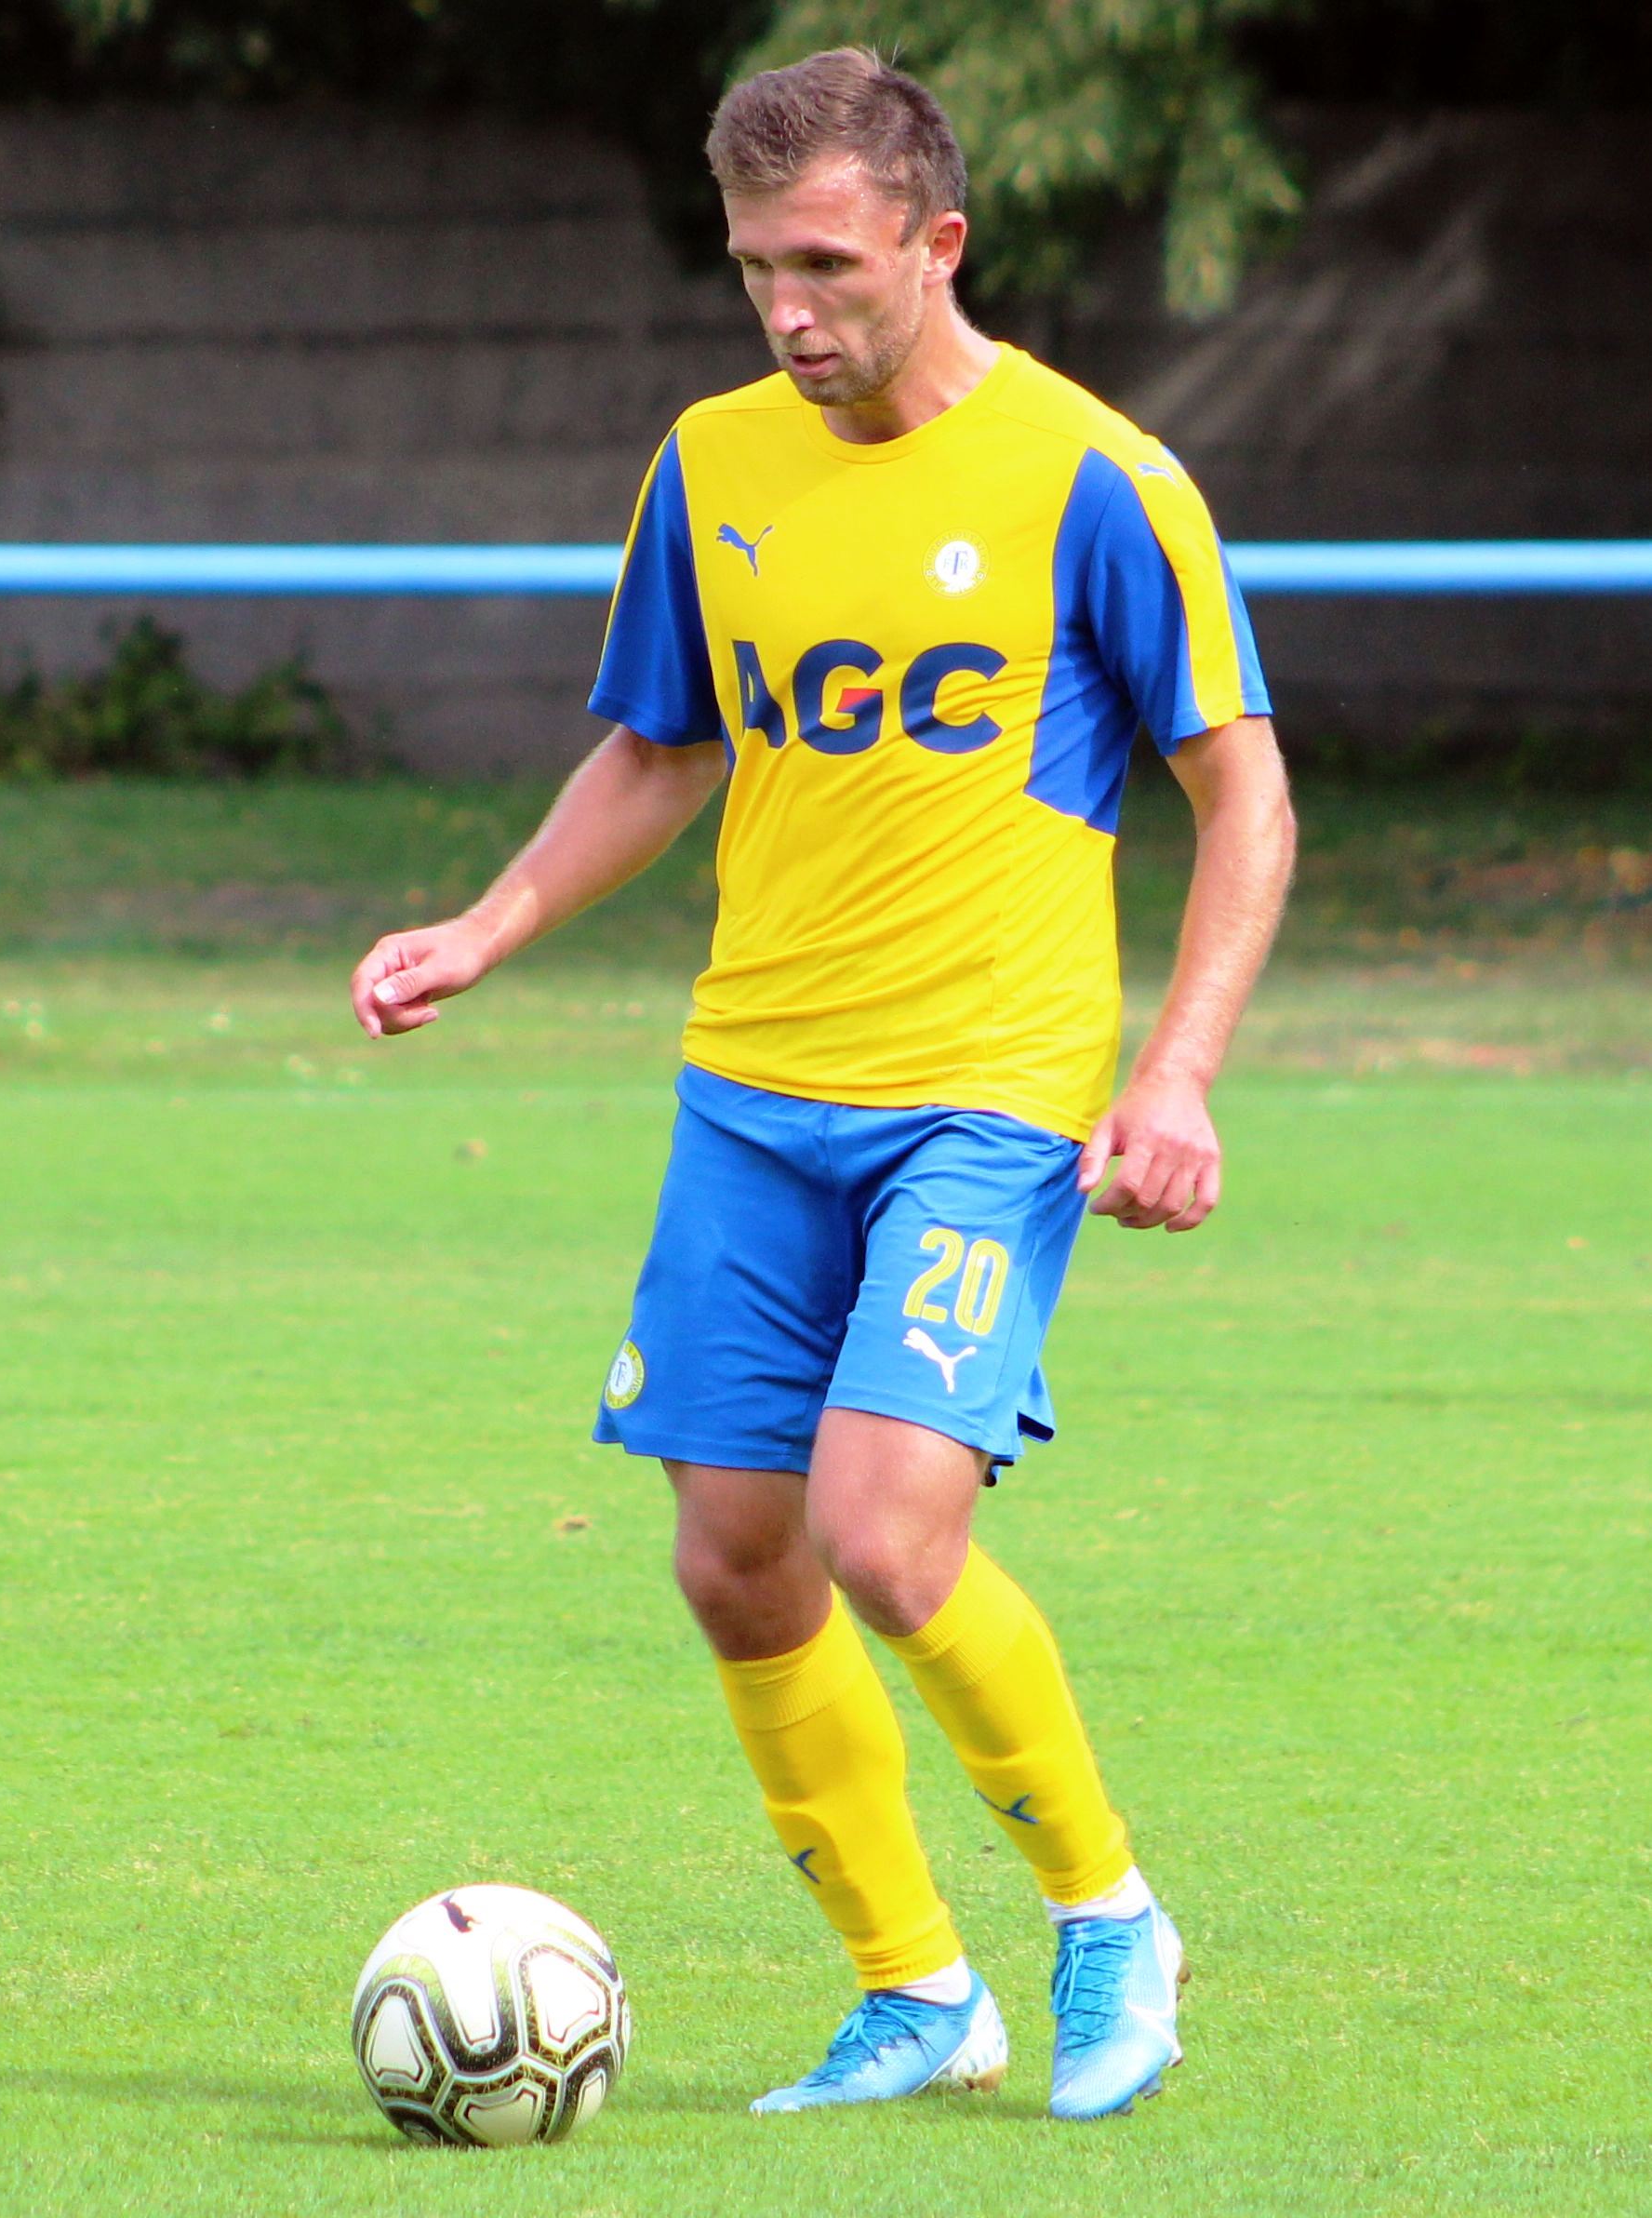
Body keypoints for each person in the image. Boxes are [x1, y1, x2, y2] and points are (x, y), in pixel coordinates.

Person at [350, 49, 1294, 2123]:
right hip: (753, 1087)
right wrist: (489, 929)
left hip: (987, 1085)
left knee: (884, 1529)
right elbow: (665, 746)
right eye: (756, 265)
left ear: (937, 244)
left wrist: (1184, 1072)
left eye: (831, 265)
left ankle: (1110, 1914)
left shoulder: (1093, 473)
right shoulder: (712, 461)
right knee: (736, 1555)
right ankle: (914, 1989)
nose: (791, 310)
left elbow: (1244, 789)